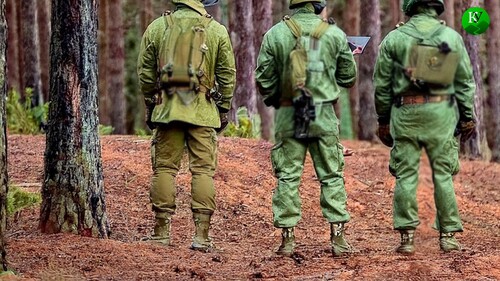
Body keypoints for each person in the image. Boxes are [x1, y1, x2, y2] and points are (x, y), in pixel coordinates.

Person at [255, 0, 357, 257]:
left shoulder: (275, 33)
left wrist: (279, 100)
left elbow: (263, 78)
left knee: (287, 176)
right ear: (317, 4)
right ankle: (339, 239)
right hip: (322, 114)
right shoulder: (334, 33)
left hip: (289, 114)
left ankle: (287, 240)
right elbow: (348, 77)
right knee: (331, 175)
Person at [373, 0, 476, 255]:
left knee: (405, 175)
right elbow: (464, 83)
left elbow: (382, 85)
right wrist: (467, 118)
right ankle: (448, 236)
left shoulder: (394, 38)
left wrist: (383, 120)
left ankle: (407, 238)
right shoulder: (450, 36)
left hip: (405, 113)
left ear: (410, 7)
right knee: (443, 175)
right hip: (441, 114)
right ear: (436, 7)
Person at [137, 0, 236, 252]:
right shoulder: (216, 30)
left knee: (164, 169)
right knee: (203, 171)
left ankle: (161, 233)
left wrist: (153, 103)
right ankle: (201, 236)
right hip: (203, 112)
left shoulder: (158, 27)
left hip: (167, 110)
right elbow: (227, 75)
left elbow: (146, 74)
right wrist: (222, 108)